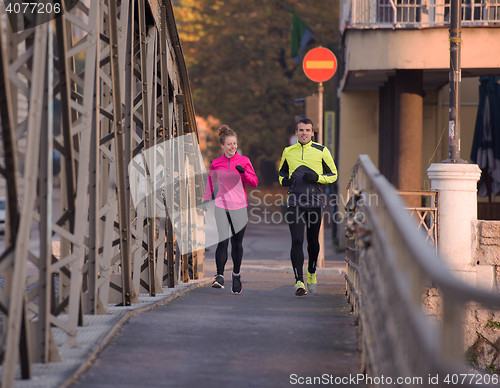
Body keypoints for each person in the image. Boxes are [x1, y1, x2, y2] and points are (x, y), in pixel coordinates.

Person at [278, 118, 338, 296]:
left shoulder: (322, 151)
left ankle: (311, 270)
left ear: (313, 133)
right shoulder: (288, 151)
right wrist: (285, 181)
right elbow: (282, 173)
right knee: (296, 240)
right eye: (301, 130)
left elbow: (333, 174)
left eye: (307, 130)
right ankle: (299, 281)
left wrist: (317, 178)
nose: (304, 133)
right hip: (295, 202)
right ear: (296, 133)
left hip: (315, 203)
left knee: (312, 241)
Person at [203, 125, 258, 294]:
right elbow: (210, 183)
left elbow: (254, 182)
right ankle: (219, 276)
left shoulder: (244, 161)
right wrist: (206, 200)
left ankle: (236, 274)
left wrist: (243, 173)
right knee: (222, 241)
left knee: (237, 244)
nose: (233, 147)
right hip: (221, 205)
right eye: (229, 144)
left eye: (234, 144)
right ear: (222, 146)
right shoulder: (216, 163)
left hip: (240, 207)